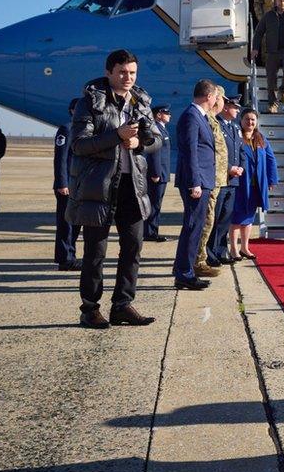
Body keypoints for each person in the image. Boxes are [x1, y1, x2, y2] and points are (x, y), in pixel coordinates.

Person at [68, 49, 160, 329]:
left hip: (132, 186)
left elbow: (157, 139)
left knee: (133, 247)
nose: (127, 77)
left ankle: (122, 305)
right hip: (100, 187)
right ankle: (90, 309)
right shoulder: (90, 103)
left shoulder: (140, 101)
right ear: (109, 72)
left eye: (132, 72)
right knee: (95, 252)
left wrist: (140, 144)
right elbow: (79, 145)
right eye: (122, 72)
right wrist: (116, 136)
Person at [173, 79, 220, 291]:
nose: (217, 101)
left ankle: (185, 270)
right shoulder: (191, 117)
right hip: (196, 182)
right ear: (209, 96)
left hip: (203, 180)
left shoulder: (198, 117)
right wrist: (194, 183)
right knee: (192, 227)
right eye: (216, 97)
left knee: (195, 227)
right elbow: (189, 152)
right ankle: (184, 273)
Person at [230, 108, 277, 260]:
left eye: (253, 120)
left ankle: (245, 247)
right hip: (241, 184)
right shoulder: (236, 137)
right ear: (241, 120)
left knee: (249, 217)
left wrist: (271, 179)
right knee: (237, 217)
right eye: (247, 119)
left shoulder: (261, 139)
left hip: (257, 185)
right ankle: (234, 249)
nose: (250, 122)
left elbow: (270, 159)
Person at [195, 85, 228, 276]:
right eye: (220, 98)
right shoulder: (205, 120)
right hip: (209, 181)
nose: (222, 102)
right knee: (205, 222)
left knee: (209, 221)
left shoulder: (214, 121)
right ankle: (198, 260)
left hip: (217, 181)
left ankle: (201, 258)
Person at [207, 95, 244, 264]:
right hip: (222, 178)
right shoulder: (217, 125)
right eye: (235, 107)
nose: (237, 110)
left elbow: (240, 151)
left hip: (233, 180)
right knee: (215, 217)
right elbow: (217, 152)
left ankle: (221, 251)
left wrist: (240, 167)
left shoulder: (235, 128)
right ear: (226, 108)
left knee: (225, 218)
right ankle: (211, 252)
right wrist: (230, 168)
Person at [53, 99, 82, 271]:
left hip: (80, 185)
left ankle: (70, 255)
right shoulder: (66, 129)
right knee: (66, 224)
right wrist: (62, 183)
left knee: (76, 223)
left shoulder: (84, 130)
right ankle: (65, 259)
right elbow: (61, 159)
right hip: (67, 185)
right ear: (72, 111)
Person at [143, 104, 172, 242]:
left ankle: (152, 230)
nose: (169, 115)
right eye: (166, 113)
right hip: (157, 174)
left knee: (157, 203)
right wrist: (155, 173)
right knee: (153, 203)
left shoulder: (162, 129)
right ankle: (149, 232)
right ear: (158, 115)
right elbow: (154, 152)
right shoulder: (156, 130)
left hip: (162, 173)